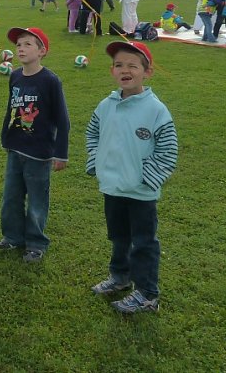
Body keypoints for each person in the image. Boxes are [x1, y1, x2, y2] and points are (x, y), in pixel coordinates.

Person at [86, 41, 177, 314]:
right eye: (119, 65)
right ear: (112, 71)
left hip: (140, 192)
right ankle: (120, 277)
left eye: (132, 66)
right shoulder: (106, 105)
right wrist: (96, 162)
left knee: (143, 242)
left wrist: (147, 177)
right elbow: (92, 134)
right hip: (112, 187)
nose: (125, 70)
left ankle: (147, 293)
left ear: (147, 72)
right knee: (119, 237)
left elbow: (168, 148)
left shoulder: (155, 110)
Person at [0, 27, 69, 264]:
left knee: (37, 199)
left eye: (27, 44)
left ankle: (36, 243)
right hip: (15, 148)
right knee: (11, 197)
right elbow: (11, 110)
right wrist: (6, 136)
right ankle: (12, 237)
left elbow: (62, 119)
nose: (21, 49)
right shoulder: (15, 76)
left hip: (39, 152)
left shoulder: (50, 81)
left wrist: (61, 153)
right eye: (18, 45)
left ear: (42, 51)